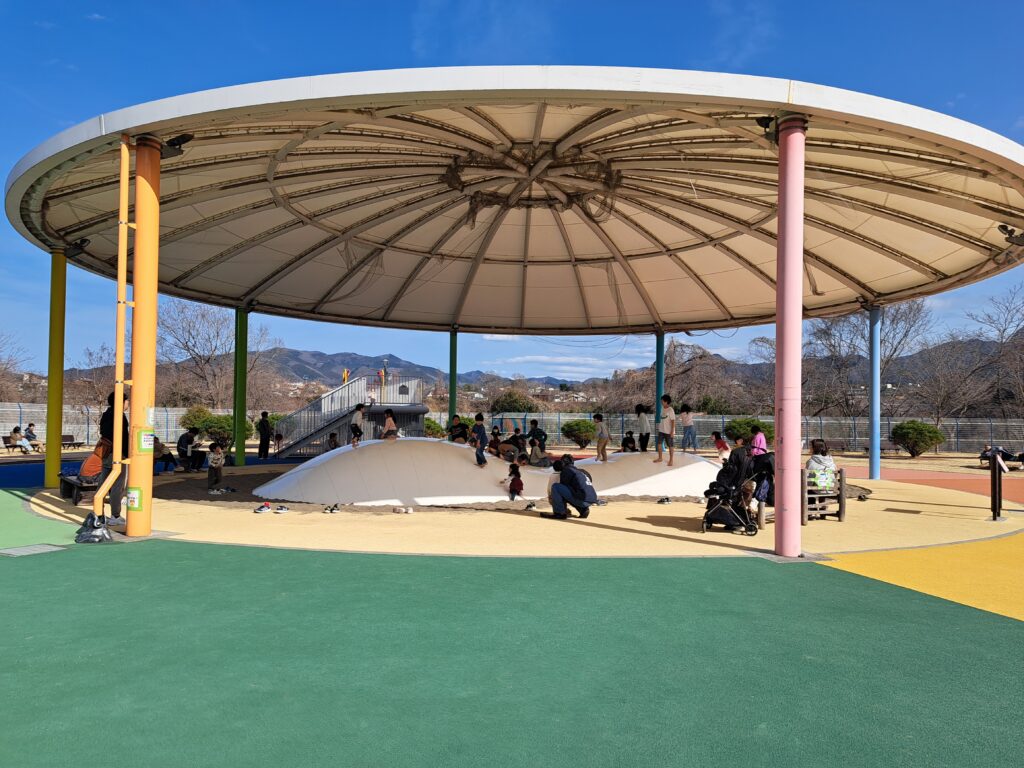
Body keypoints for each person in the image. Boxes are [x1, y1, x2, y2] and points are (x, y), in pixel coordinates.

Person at [99, 391, 130, 523]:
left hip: (106, 452)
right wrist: (127, 454)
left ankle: (98, 513)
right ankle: (115, 515)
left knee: (103, 483)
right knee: (118, 485)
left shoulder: (106, 414)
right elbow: (123, 437)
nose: (128, 404)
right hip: (117, 454)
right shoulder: (119, 416)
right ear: (121, 402)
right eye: (127, 401)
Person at [653, 394, 675, 466]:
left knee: (670, 445)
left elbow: (673, 421)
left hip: (668, 431)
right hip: (661, 430)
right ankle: (660, 458)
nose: (661, 402)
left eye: (662, 401)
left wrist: (672, 431)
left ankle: (671, 460)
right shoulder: (662, 408)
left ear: (666, 401)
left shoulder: (670, 410)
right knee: (659, 444)